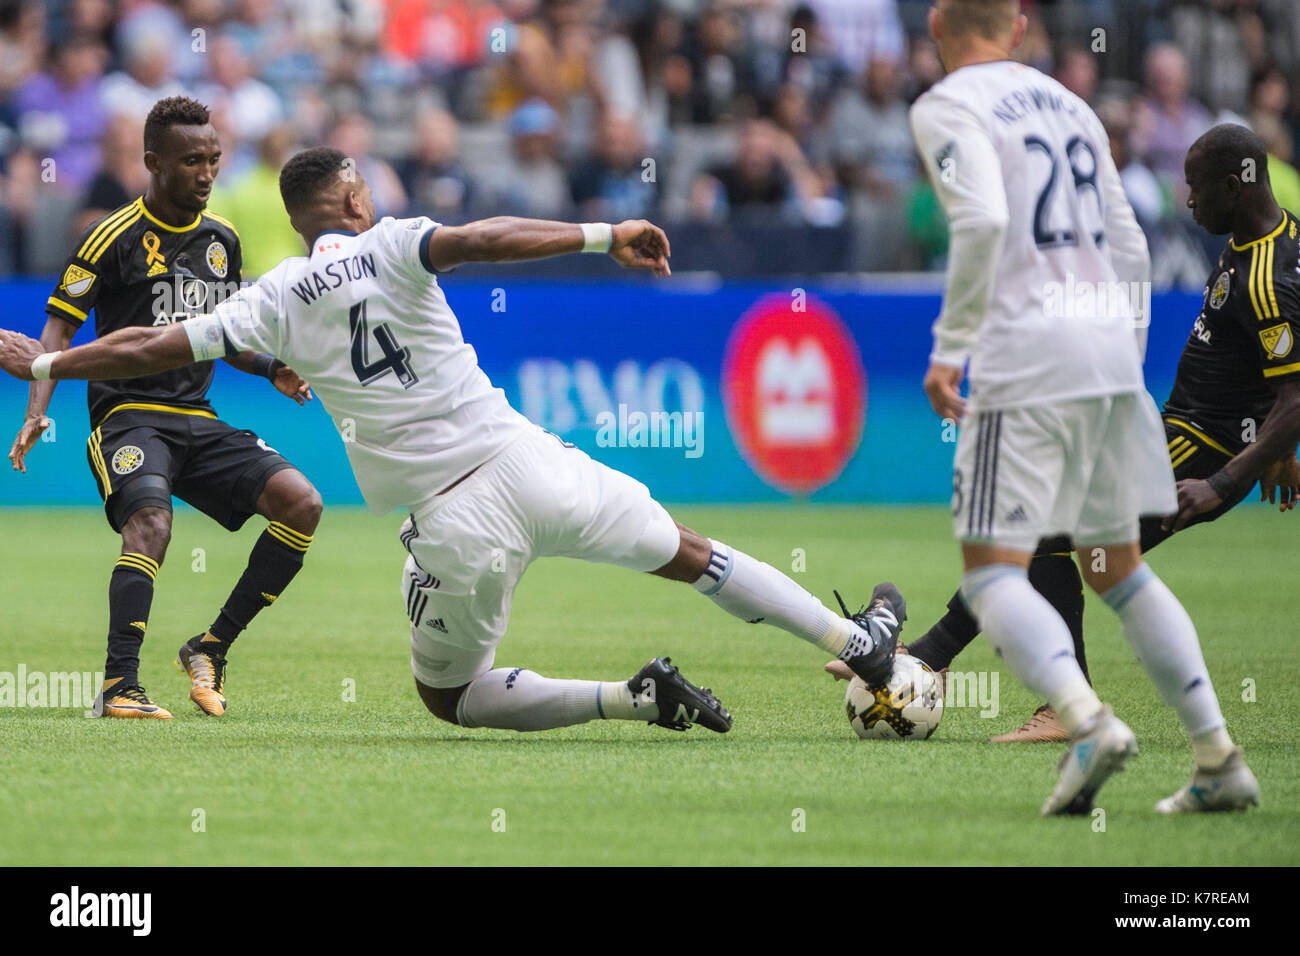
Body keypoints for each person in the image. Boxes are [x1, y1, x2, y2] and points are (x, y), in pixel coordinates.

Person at [0, 146, 905, 736]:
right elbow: (481, 239)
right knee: (693, 555)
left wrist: (47, 366)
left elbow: (148, 345)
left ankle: (628, 698)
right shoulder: (394, 240)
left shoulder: (270, 297)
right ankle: (856, 642)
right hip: (533, 461)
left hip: (454, 521)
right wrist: (604, 233)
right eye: (364, 180)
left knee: (451, 697)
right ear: (351, 196)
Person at [841, 124, 1300, 749]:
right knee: (1046, 527)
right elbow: (1279, 382)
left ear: (1234, 184)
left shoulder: (1268, 275)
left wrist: (1228, 479)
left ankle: (1037, 693)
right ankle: (942, 661)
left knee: (1045, 523)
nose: (1187, 200)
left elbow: (1296, 396)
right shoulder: (1265, 239)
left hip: (1199, 451)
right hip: (1180, 434)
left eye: (1195, 188)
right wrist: (1273, 449)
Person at [905, 0, 1257, 815]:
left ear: (934, 25)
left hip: (1026, 355)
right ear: (1020, 26)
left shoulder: (947, 106)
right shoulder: (1071, 103)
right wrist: (1119, 350)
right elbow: (1130, 243)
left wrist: (951, 346)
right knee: (1116, 569)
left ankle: (1087, 721)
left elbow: (984, 220)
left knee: (994, 575)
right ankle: (1216, 756)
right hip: (1107, 355)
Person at [7, 96, 322, 720]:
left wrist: (269, 368)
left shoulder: (222, 241)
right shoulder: (109, 237)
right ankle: (119, 686)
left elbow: (220, 335)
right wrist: (35, 410)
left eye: (213, 159)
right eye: (190, 162)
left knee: (302, 503)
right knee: (151, 525)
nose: (206, 173)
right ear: (153, 162)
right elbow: (56, 336)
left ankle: (210, 646)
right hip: (127, 416)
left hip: (197, 419)